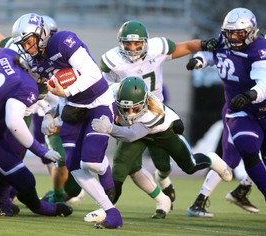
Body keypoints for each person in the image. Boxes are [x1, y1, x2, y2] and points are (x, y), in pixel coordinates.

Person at [85, 19, 220, 221]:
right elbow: (104, 90)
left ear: (146, 42)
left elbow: (186, 46)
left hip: (155, 114)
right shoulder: (112, 60)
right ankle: (110, 209)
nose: (132, 48)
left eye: (137, 43)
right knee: (122, 168)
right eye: (128, 43)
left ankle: (166, 180)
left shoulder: (158, 48)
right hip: (128, 117)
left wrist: (204, 45)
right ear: (120, 43)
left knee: (168, 164)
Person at [11, 13, 122, 229]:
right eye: (23, 43)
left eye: (28, 40)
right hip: (72, 108)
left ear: (42, 33)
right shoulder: (35, 62)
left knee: (90, 162)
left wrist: (67, 91)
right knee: (72, 164)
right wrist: (48, 113)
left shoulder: (63, 41)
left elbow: (92, 74)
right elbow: (42, 93)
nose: (27, 47)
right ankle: (111, 211)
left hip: (98, 100)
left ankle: (104, 170)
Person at [90, 76, 233, 214]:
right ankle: (107, 209)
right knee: (120, 168)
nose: (130, 113)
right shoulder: (112, 92)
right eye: (125, 109)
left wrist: (110, 128)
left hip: (161, 133)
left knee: (189, 166)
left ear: (145, 102)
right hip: (134, 133)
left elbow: (131, 135)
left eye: (135, 108)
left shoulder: (153, 113)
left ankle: (211, 160)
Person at [0, 42, 73, 217]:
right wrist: (41, 150)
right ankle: (35, 208)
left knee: (13, 166)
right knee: (25, 180)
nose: (45, 78)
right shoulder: (26, 84)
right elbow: (13, 122)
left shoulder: (4, 53)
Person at [185, 7, 266, 214]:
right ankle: (203, 199)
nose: (233, 37)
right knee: (243, 150)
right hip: (239, 111)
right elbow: (213, 54)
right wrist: (200, 60)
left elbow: (264, 82)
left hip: (261, 106)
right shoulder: (223, 41)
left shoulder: (259, 49)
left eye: (238, 33)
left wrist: (249, 95)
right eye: (229, 33)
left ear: (251, 31)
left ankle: (241, 190)